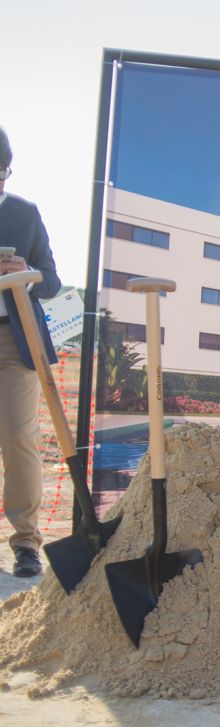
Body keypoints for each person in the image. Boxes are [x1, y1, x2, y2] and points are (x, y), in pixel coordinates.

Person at [0, 125, 62, 578]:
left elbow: (52, 281)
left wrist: (27, 272)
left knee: (20, 437)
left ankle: (25, 542)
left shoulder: (25, 213)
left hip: (12, 339)